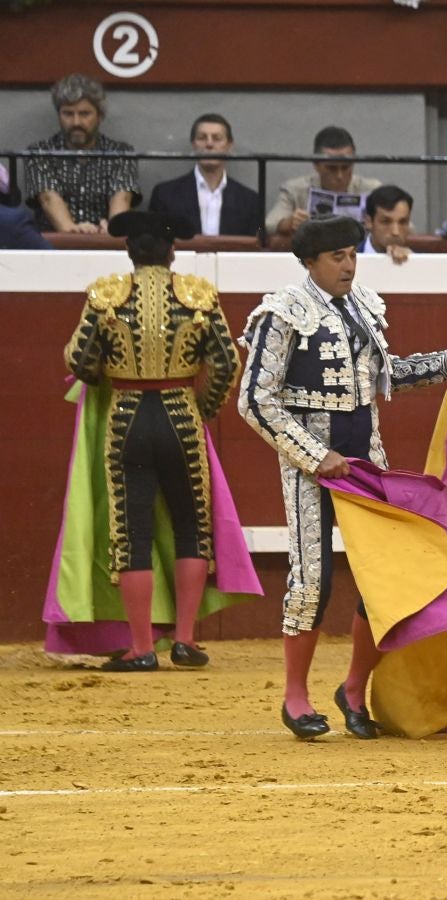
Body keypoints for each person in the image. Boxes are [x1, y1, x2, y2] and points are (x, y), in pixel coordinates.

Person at [238, 215, 447, 740]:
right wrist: (313, 453)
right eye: (337, 257)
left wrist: (444, 363)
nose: (348, 265)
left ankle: (352, 689)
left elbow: (384, 375)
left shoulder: (363, 305)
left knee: (380, 581)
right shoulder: (281, 313)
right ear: (309, 262)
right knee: (312, 582)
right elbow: (254, 400)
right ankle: (295, 698)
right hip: (310, 470)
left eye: (352, 254)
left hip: (366, 460)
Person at [61, 211, 241, 670]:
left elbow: (80, 360)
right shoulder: (197, 295)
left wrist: (109, 375)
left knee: (132, 532)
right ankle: (184, 640)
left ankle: (141, 648)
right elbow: (226, 363)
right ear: (172, 251)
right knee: (191, 526)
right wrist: (203, 407)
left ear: (128, 252)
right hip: (180, 414)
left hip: (127, 418)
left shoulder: (106, 295)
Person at [25, 73, 139, 233]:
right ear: (59, 115)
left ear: (100, 116)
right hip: (53, 248)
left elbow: (122, 197)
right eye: (68, 114)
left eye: (84, 114)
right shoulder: (40, 152)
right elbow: (48, 198)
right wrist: (73, 231)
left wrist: (113, 230)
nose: (76, 122)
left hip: (105, 243)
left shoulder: (120, 153)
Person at [148, 113, 262, 237]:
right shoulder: (165, 194)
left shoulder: (250, 201)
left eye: (217, 138)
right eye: (202, 138)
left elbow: (254, 247)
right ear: (193, 144)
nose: (209, 144)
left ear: (229, 146)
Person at [265, 126, 381, 237]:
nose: (340, 176)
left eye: (346, 167)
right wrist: (289, 223)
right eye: (332, 168)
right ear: (316, 165)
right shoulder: (295, 189)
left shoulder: (372, 190)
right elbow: (269, 224)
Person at [360, 184, 414, 264]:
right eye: (386, 222)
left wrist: (413, 264)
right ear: (369, 222)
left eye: (402, 222)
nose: (396, 232)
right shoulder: (348, 261)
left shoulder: (423, 264)